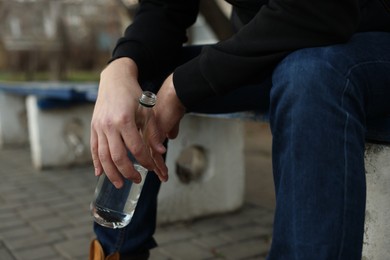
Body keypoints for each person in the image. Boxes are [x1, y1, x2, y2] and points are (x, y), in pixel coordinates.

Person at [89, 0, 390, 259]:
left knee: (311, 75)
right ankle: (116, 252)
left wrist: (182, 87)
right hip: (279, 47)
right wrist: (122, 64)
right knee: (138, 85)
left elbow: (321, 12)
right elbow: (164, 9)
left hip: (366, 44)